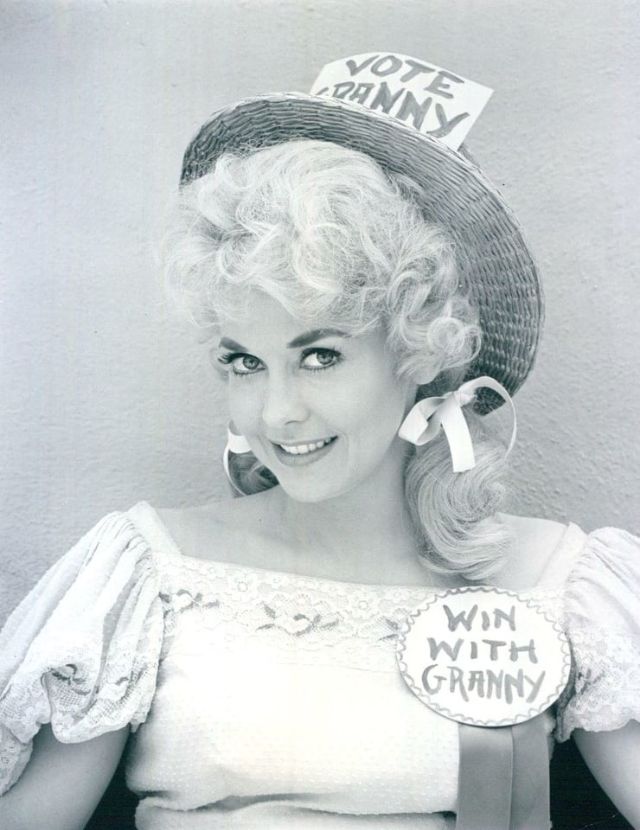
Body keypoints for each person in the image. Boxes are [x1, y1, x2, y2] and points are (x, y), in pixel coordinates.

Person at [1, 54, 638, 830]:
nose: (277, 413)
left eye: (320, 356)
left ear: (420, 350)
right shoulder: (150, 570)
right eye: (244, 361)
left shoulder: (562, 584)